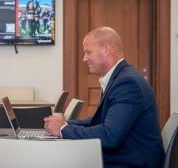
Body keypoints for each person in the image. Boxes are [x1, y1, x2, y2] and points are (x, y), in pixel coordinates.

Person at [44, 27, 164, 168]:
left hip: (132, 163)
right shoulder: (118, 78)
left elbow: (109, 135)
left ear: (106, 49)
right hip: (124, 158)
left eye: (88, 52)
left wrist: (62, 130)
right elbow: (100, 122)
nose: (84, 59)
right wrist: (66, 124)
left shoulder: (128, 83)